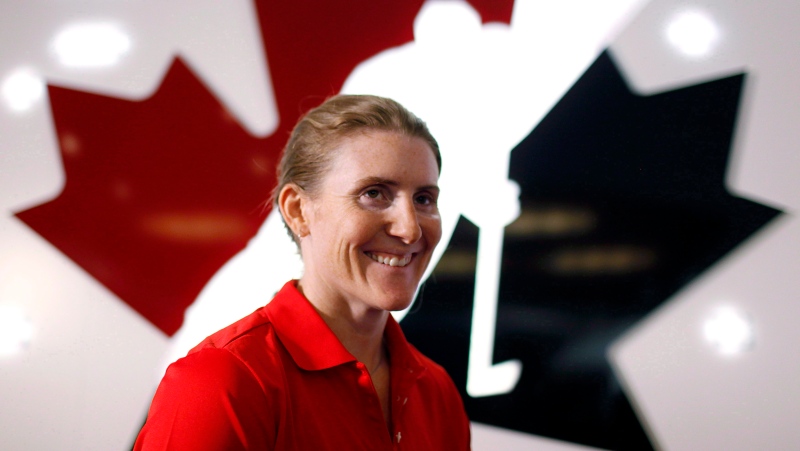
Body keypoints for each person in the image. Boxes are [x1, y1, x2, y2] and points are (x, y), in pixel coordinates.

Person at [134, 94, 471, 450]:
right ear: (298, 210)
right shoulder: (222, 381)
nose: (410, 230)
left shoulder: (436, 392)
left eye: (423, 199)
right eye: (374, 193)